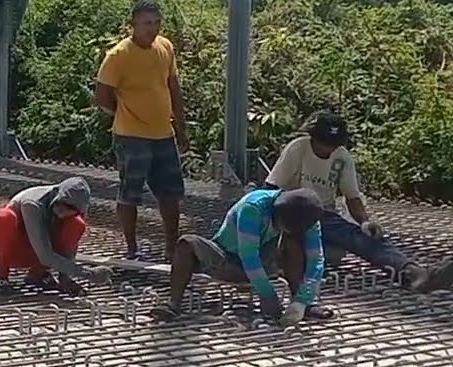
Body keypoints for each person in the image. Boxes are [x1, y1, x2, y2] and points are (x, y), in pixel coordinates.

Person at [263, 111, 453, 293]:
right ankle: (275, 265)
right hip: (290, 210)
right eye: (323, 143)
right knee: (292, 242)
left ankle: (413, 274)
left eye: (332, 144)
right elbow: (271, 187)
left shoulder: (342, 157)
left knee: (361, 237)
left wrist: (364, 222)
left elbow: (352, 196)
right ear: (312, 137)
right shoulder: (298, 148)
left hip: (322, 214)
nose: (327, 148)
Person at [95, 0, 189, 262]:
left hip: (163, 133)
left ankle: (171, 247)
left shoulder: (165, 47)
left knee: (170, 193)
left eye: (156, 23)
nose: (153, 28)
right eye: (147, 23)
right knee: (130, 193)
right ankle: (132, 248)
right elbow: (102, 95)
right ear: (133, 24)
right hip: (131, 136)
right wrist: (124, 113)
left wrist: (181, 128)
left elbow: (173, 87)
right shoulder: (118, 55)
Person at [162, 188, 326, 326]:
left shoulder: (307, 215)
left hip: (265, 262)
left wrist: (305, 298)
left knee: (293, 244)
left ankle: (303, 303)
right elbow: (249, 256)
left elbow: (316, 259)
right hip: (228, 258)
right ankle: (173, 304)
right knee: (186, 244)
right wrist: (267, 294)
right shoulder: (253, 208)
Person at [0, 177, 113, 295]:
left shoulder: (78, 212)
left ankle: (38, 273)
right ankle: (0, 276)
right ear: (57, 195)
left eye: (71, 208)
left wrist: (66, 278)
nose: (64, 210)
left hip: (37, 250)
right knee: (4, 218)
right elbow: (45, 255)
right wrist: (89, 274)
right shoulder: (32, 204)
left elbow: (70, 247)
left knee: (76, 224)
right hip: (10, 248)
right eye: (63, 203)